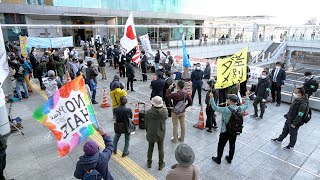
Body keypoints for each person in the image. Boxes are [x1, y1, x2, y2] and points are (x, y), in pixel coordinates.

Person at [209, 92, 250, 164]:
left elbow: (215, 108)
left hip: (225, 130)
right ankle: (230, 159)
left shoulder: (226, 109)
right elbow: (246, 105)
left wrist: (211, 98)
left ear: (231, 101)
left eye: (228, 99)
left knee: (221, 145)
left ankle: (218, 159)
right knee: (232, 144)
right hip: (234, 130)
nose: (227, 100)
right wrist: (247, 96)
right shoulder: (239, 108)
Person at [145, 96, 168, 170]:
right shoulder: (164, 112)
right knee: (160, 148)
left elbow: (146, 123)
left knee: (150, 148)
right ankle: (161, 164)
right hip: (161, 132)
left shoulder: (148, 112)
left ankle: (149, 163)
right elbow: (166, 117)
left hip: (151, 132)